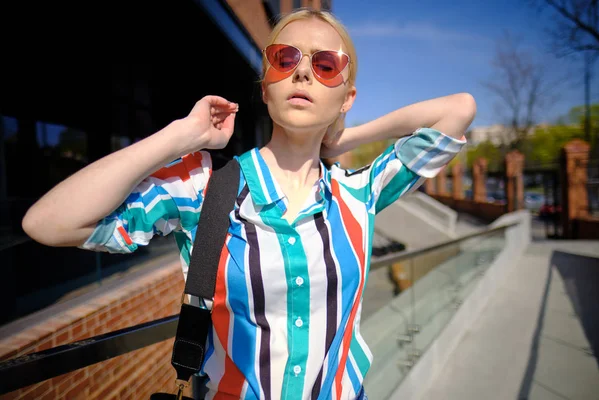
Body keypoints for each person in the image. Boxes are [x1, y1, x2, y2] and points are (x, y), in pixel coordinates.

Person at [21, 8, 474, 400]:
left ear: (346, 97)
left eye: (327, 66)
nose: (302, 72)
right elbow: (48, 223)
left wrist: (340, 137)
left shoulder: (359, 193)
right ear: (265, 86)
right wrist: (180, 136)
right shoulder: (205, 190)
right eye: (286, 58)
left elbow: (458, 109)